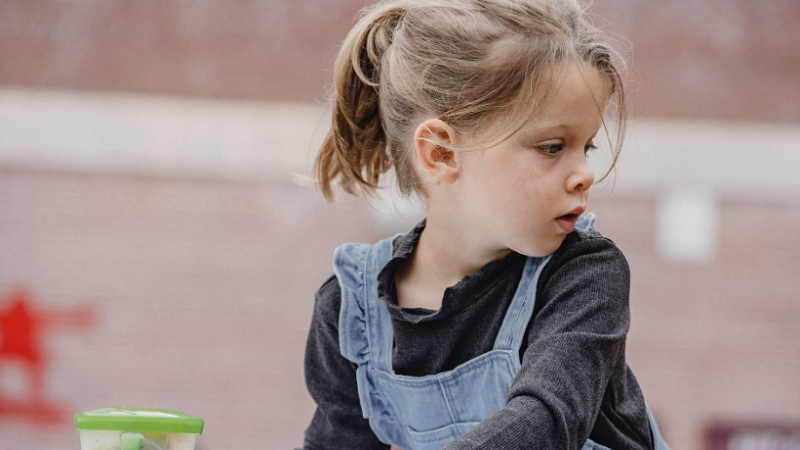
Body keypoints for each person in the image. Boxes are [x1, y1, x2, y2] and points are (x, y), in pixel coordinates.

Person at [297, 0, 672, 449]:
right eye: (553, 147)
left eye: (586, 147)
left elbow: (547, 421)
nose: (585, 173)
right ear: (442, 153)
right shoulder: (351, 312)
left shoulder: (585, 274)